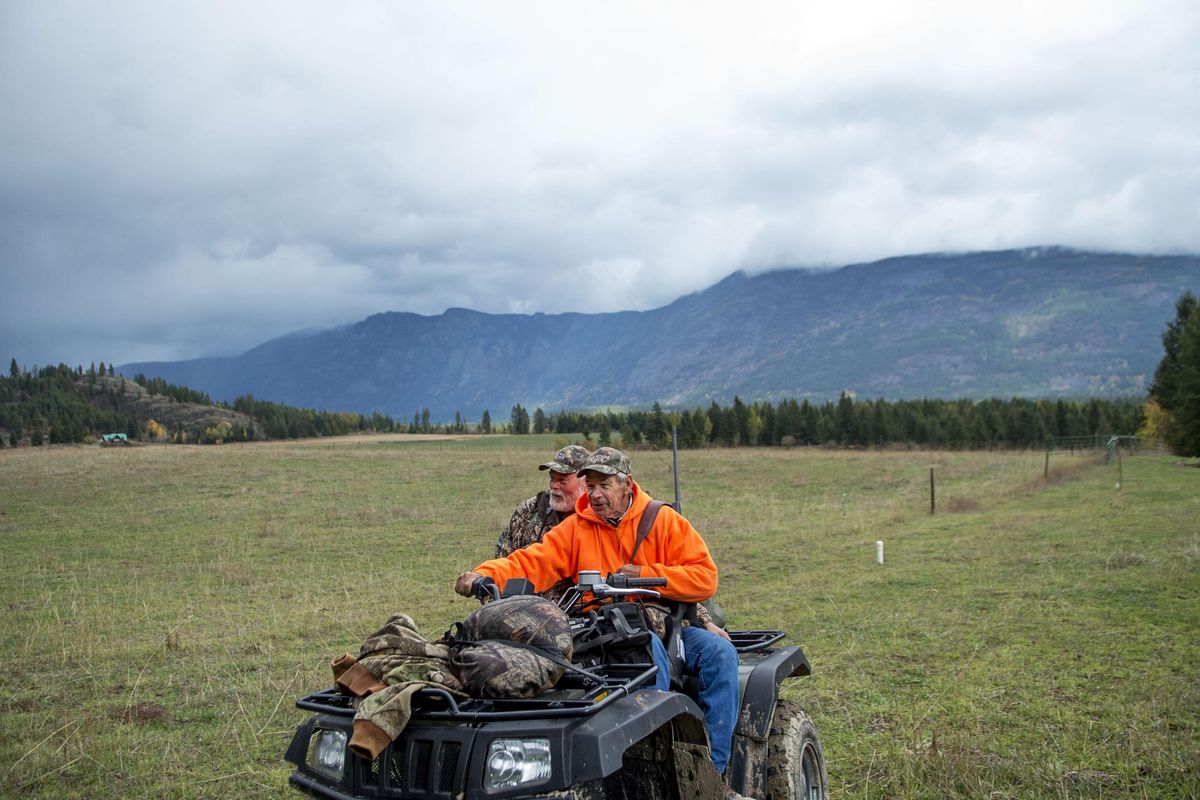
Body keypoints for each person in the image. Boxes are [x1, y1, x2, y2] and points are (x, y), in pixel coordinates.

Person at [456, 447, 748, 798]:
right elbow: (532, 561)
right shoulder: (577, 529)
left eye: (603, 485)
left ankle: (713, 778)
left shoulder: (663, 521)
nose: (594, 494)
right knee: (645, 655)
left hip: (669, 626)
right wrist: (484, 574)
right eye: (589, 485)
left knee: (720, 655)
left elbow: (705, 578)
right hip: (611, 629)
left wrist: (645, 575)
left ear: (627, 485)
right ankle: (655, 774)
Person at [494, 445, 591, 558]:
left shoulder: (600, 516)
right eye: (552, 478)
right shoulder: (529, 510)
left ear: (585, 483)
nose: (553, 485)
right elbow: (502, 561)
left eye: (562, 480)